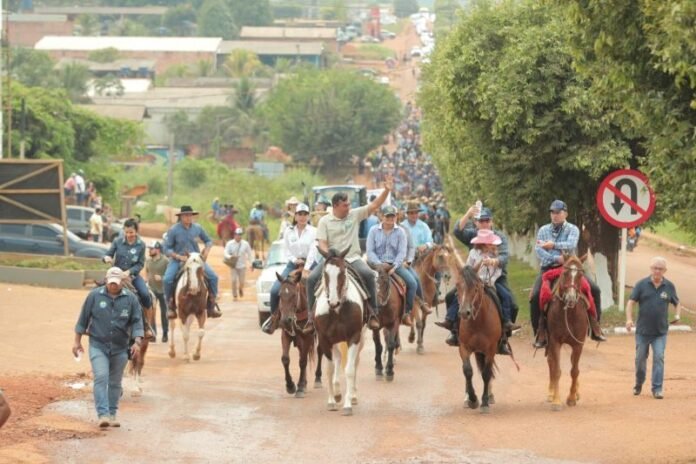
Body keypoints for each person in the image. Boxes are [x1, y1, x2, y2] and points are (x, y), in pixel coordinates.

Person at [305, 175, 394, 333]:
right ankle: (311, 319)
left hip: (352, 258)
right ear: (336, 206)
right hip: (332, 260)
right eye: (345, 205)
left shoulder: (354, 215)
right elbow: (322, 243)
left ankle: (373, 313)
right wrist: (329, 256)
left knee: (368, 275)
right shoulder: (324, 221)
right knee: (311, 279)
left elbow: (374, 205)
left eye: (349, 204)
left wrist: (386, 190)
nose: (349, 207)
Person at [73, 267, 143, 428]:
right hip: (98, 345)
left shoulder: (131, 299)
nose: (113, 286)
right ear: (106, 280)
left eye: (116, 283)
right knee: (101, 376)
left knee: (115, 382)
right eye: (111, 283)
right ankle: (103, 414)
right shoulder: (94, 296)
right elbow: (83, 319)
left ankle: (112, 414)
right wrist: (77, 342)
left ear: (121, 283)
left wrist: (137, 342)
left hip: (120, 347)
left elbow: (137, 322)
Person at [530, 200, 605, 348]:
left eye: (558, 212)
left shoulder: (573, 229)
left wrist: (553, 245)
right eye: (552, 212)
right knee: (535, 296)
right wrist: (555, 258)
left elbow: (571, 245)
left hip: (571, 269)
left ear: (566, 213)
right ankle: (540, 332)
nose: (555, 215)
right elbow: (539, 249)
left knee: (595, 290)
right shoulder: (544, 230)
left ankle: (595, 327)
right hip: (549, 269)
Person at [625, 257, 681, 399]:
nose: (657, 271)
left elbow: (677, 302)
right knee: (640, 360)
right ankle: (639, 383)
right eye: (655, 268)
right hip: (643, 331)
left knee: (659, 357)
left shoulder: (669, 286)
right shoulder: (641, 284)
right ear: (651, 269)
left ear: (665, 271)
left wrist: (677, 315)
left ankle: (657, 389)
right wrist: (629, 319)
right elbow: (631, 303)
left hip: (660, 332)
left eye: (660, 269)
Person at [263, 203, 318, 334]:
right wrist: (295, 260)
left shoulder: (313, 231)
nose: (303, 217)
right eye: (300, 214)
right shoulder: (289, 231)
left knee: (320, 288)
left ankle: (320, 318)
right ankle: (273, 318)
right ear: (296, 216)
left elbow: (313, 250)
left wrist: (306, 267)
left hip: (310, 263)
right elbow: (286, 250)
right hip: (292, 264)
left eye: (305, 214)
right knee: (275, 290)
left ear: (308, 216)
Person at [162, 205, 221, 319]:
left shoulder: (198, 228)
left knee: (213, 277)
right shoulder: (174, 230)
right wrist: (178, 256)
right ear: (181, 216)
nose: (188, 217)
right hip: (179, 260)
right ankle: (170, 305)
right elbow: (166, 248)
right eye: (185, 215)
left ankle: (211, 305)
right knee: (167, 279)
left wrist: (207, 250)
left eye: (190, 215)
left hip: (196, 259)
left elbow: (208, 240)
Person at [103, 218, 154, 340]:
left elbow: (140, 264)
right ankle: (93, 323)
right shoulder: (117, 241)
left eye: (131, 232)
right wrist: (106, 258)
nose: (129, 235)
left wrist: (129, 272)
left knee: (145, 295)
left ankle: (146, 326)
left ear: (136, 231)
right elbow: (109, 253)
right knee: (97, 291)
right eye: (126, 232)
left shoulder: (141, 244)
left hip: (132, 276)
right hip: (115, 275)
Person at [367, 205, 416, 327]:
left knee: (413, 283)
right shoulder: (373, 230)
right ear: (381, 217)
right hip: (376, 265)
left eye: (392, 216)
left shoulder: (401, 232)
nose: (390, 219)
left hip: (395, 265)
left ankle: (406, 313)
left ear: (395, 217)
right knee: (363, 281)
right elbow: (370, 251)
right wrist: (379, 265)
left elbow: (402, 252)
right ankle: (369, 313)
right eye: (387, 216)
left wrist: (394, 266)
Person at [145, 241, 169, 343]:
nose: (149, 251)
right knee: (151, 313)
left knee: (164, 313)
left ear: (158, 250)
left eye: (151, 249)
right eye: (149, 249)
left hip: (163, 291)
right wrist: (147, 282)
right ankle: (153, 334)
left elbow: (170, 276)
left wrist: (162, 278)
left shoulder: (165, 261)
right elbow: (147, 272)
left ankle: (165, 334)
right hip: (152, 290)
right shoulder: (148, 261)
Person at [223, 228, 254, 301]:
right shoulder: (229, 243)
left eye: (240, 235)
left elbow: (250, 255)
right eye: (237, 234)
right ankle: (235, 295)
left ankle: (240, 288)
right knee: (233, 280)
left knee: (242, 282)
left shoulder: (245, 244)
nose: (238, 236)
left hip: (242, 266)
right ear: (234, 235)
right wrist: (230, 257)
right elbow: (225, 252)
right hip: (233, 265)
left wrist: (251, 264)